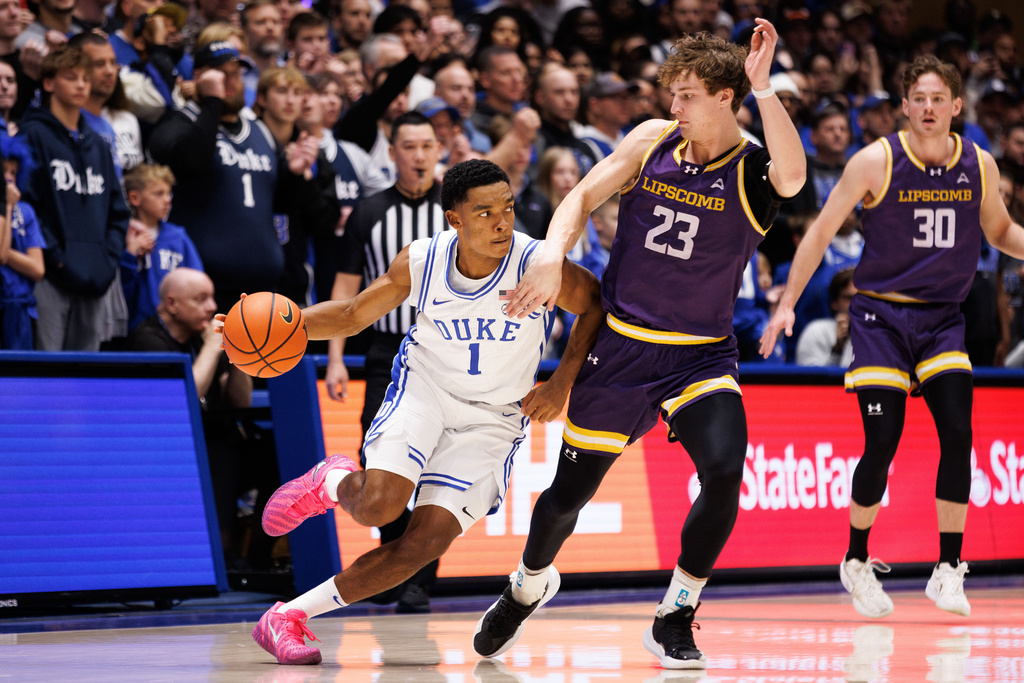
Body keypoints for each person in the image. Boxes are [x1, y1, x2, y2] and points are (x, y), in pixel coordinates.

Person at [475, 21, 805, 670]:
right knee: (565, 499)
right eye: (672, 93)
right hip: (622, 348)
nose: (672, 106)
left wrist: (766, 90)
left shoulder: (752, 169)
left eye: (685, 95)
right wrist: (550, 253)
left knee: (725, 469)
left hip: (701, 355)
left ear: (724, 97)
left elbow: (794, 178)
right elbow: (580, 194)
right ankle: (527, 583)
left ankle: (676, 610)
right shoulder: (651, 140)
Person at [246, 159, 605, 665]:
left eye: (507, 208)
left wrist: (562, 381)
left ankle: (288, 616)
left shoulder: (536, 261)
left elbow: (594, 305)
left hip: (494, 418)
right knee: (378, 508)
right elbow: (351, 316)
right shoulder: (422, 259)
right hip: (425, 391)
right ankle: (331, 483)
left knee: (424, 544)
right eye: (484, 213)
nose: (502, 222)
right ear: (454, 220)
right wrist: (277, 326)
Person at [760, 55, 1024, 620]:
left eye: (938, 99)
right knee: (883, 441)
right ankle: (856, 558)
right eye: (918, 99)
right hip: (880, 317)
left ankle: (948, 569)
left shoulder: (978, 164)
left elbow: (999, 231)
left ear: (957, 106)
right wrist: (785, 305)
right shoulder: (875, 161)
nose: (928, 108)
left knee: (958, 432)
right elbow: (820, 232)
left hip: (942, 320)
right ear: (904, 107)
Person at [147, 40, 320, 313]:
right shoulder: (180, 122)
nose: (231, 81)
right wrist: (213, 101)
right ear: (199, 75)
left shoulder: (260, 132)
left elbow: (280, 205)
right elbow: (192, 163)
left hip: (261, 289)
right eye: (222, 73)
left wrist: (295, 174)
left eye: (236, 74)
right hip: (201, 293)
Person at [20, 44, 131, 351]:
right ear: (48, 83)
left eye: (85, 78)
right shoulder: (32, 135)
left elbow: (117, 211)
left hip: (95, 276)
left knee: (85, 375)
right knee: (47, 375)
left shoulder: (98, 143)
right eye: (71, 77)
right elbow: (28, 206)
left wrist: (108, 260)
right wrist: (54, 257)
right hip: (50, 277)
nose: (82, 85)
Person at [120, 163, 203, 331]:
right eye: (159, 194)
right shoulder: (123, 236)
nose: (167, 200)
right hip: (136, 329)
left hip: (177, 330)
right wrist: (130, 255)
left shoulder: (178, 237)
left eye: (168, 193)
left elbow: (198, 281)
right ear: (135, 198)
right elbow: (121, 293)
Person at [0, 135, 45, 349]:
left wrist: (10, 207)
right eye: (3, 172)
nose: (8, 179)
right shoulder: (7, 208)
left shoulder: (26, 212)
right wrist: (6, 207)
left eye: (14, 173)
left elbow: (37, 268)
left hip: (20, 309)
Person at [795, 266, 855, 366]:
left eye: (862, 298)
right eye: (849, 298)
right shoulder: (817, 331)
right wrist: (838, 349)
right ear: (835, 302)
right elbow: (810, 379)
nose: (857, 304)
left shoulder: (879, 335)